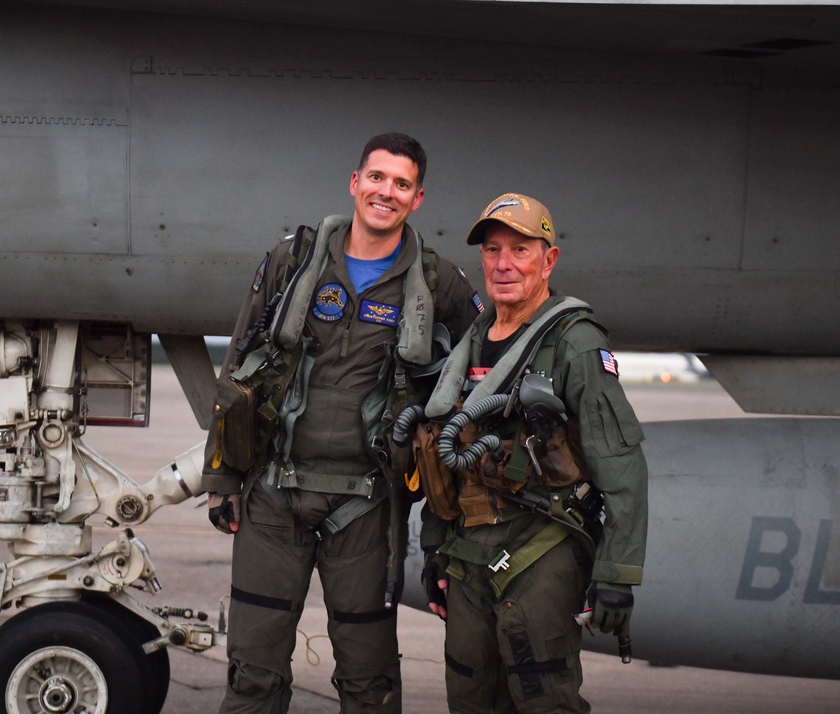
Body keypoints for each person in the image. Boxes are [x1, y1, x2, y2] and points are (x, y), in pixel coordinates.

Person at [202, 133, 481, 713]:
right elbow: (238, 367)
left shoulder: (440, 282)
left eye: (401, 184)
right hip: (273, 496)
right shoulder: (292, 261)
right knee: (252, 673)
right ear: (355, 183)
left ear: (417, 198)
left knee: (369, 682)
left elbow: (476, 371)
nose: (386, 192)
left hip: (366, 507)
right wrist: (224, 478)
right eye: (376, 178)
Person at [416, 193, 648, 713]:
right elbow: (444, 453)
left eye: (521, 250)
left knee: (544, 699)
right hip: (468, 551)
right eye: (493, 250)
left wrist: (617, 574)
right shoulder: (469, 345)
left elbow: (623, 463)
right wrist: (435, 548)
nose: (503, 264)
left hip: (540, 549)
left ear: (549, 259)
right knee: (470, 696)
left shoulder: (574, 344)